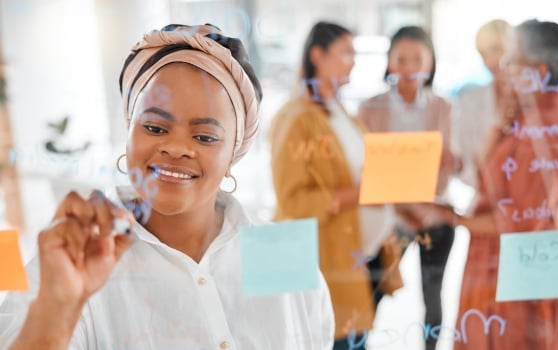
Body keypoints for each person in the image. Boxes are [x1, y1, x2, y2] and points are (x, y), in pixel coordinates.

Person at [0, 24, 334, 349]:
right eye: (155, 128)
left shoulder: (282, 253)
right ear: (129, 130)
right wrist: (56, 310)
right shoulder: (71, 264)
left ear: (233, 153)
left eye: (205, 136)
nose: (176, 148)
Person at [433, 19, 558, 349]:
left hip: (519, 265)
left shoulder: (544, 129)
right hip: (508, 259)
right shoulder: (529, 113)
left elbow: (519, 223)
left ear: (540, 70)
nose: (503, 66)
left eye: (512, 58)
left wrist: (449, 217)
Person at [269, 21, 403, 350]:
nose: (353, 62)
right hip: (327, 264)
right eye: (345, 53)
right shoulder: (295, 118)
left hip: (365, 256)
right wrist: (356, 195)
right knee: (340, 342)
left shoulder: (340, 112)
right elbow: (293, 203)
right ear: (318, 55)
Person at [357, 26, 456, 350]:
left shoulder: (443, 107)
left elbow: (447, 165)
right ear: (389, 62)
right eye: (401, 58)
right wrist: (402, 207)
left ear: (431, 63)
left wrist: (423, 205)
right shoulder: (370, 109)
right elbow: (366, 167)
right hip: (389, 219)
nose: (410, 66)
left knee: (432, 293)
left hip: (434, 217)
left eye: (418, 58)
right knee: (373, 291)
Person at [453, 19, 512, 196]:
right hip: (489, 202)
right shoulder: (470, 101)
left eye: (496, 48)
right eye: (483, 54)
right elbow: (470, 168)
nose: (491, 61)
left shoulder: (542, 98)